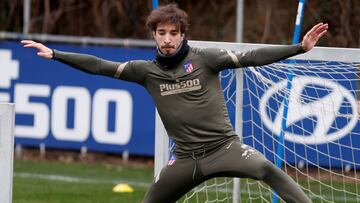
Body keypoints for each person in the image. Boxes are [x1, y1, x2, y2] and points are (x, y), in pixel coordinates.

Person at [22, 4, 328, 203]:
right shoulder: (145, 71)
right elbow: (100, 65)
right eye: (161, 33)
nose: (167, 39)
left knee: (267, 169)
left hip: (225, 149)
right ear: (154, 36)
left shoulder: (206, 59)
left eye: (173, 33)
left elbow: (252, 57)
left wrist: (299, 48)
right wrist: (56, 54)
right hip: (184, 161)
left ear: (183, 36)